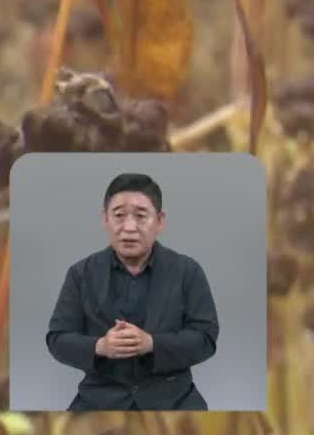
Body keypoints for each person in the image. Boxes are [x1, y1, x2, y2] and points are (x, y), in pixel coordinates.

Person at [44, 172, 219, 410]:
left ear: (160, 221)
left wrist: (152, 343)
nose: (129, 227)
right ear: (105, 219)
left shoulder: (188, 271)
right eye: (118, 216)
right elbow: (57, 339)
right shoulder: (80, 274)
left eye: (140, 216)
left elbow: (206, 338)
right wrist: (100, 346)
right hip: (99, 398)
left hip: (173, 398)